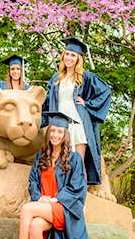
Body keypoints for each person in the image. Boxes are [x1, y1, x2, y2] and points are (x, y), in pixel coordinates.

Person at [0, 112, 88, 239]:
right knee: (35, 225)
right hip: (45, 209)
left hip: (65, 209)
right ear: (48, 133)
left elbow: (78, 188)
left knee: (26, 208)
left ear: (65, 135)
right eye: (53, 131)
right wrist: (39, 197)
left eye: (60, 132)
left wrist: (56, 199)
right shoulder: (41, 156)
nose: (55, 135)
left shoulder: (74, 159)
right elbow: (33, 182)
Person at [43, 37, 112, 186]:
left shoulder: (84, 77)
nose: (69, 58)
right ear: (63, 56)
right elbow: (48, 100)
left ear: (78, 59)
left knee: (78, 164)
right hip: (60, 122)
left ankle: (82, 202)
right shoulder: (56, 77)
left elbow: (105, 91)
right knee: (60, 161)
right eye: (67, 54)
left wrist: (87, 104)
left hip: (77, 122)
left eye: (73, 55)